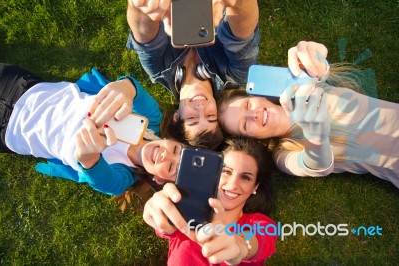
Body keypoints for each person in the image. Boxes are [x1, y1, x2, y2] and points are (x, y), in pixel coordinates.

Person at [217, 41, 399, 188]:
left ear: (257, 96)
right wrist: (315, 136)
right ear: (253, 139)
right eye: (245, 125)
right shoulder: (284, 154)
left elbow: (320, 70)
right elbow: (316, 165)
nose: (253, 116)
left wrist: (315, 54)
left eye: (248, 105)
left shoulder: (302, 87)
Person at [0, 63, 184, 196]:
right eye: (176, 149)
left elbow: (102, 179)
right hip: (25, 89)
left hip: (11, 132)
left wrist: (89, 158)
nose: (165, 156)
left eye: (170, 167)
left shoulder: (121, 177)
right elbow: (132, 87)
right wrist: (125, 88)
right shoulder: (151, 118)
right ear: (172, 140)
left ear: (159, 180)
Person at [126, 0, 261, 149]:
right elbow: (243, 31)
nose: (201, 107)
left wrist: (142, 5)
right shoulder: (235, 74)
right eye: (211, 116)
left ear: (177, 116)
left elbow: (142, 32)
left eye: (192, 118)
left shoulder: (159, 70)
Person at [143, 136, 277, 265]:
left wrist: (241, 246)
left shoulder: (260, 224)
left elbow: (259, 241)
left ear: (255, 186)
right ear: (214, 172)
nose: (232, 184)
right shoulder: (184, 213)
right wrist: (156, 210)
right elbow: (165, 226)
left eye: (245, 177)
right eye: (226, 171)